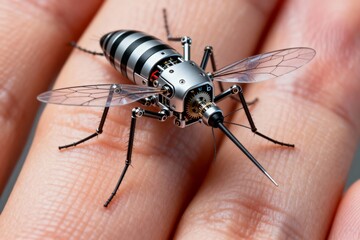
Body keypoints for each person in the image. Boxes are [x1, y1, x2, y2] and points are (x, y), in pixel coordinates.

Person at [0, 0, 359, 239]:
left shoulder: (211, 94)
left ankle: (256, 129)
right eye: (209, 110)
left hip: (159, 58)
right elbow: (120, 97)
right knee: (132, 104)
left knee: (214, 69)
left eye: (210, 111)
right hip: (128, 56)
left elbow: (225, 90)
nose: (210, 111)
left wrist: (250, 127)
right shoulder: (159, 99)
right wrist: (119, 158)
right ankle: (97, 136)